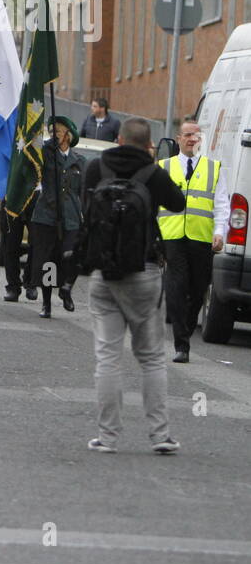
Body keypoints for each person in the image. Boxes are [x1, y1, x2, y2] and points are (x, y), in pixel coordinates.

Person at [81, 118, 186, 454]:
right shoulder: (153, 173)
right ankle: (160, 435)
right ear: (148, 144)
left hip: (103, 274)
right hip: (144, 272)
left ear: (119, 138)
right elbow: (178, 204)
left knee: (108, 358)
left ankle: (107, 437)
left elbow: (86, 210)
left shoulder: (97, 167)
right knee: (152, 358)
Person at [158, 118, 230, 363]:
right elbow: (153, 204)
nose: (191, 139)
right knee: (176, 288)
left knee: (198, 291)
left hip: (201, 238)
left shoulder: (214, 168)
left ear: (200, 141)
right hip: (172, 237)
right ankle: (181, 344)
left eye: (195, 136)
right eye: (187, 135)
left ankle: (186, 330)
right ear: (178, 139)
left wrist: (219, 232)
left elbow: (222, 204)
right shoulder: (164, 167)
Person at [28, 117, 86, 318]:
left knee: (71, 256)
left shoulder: (79, 161)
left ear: (68, 136)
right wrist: (46, 145)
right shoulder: (46, 154)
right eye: (52, 132)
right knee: (48, 261)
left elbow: (84, 192)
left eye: (58, 132)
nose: (54, 135)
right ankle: (47, 303)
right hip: (47, 215)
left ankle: (66, 288)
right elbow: (32, 151)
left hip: (70, 217)